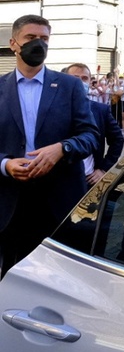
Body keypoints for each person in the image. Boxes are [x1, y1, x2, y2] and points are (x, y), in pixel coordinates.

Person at [0, 15, 98, 276]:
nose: (38, 44)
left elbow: (89, 135)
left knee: (65, 277)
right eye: (30, 38)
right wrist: (5, 164)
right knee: (14, 276)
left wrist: (62, 149)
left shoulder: (70, 86)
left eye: (44, 39)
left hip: (60, 200)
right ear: (13, 44)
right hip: (11, 202)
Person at [64, 63, 124, 185]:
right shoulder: (53, 109)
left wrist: (104, 169)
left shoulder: (101, 110)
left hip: (89, 180)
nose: (80, 82)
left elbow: (117, 139)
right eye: (75, 78)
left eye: (84, 78)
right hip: (61, 181)